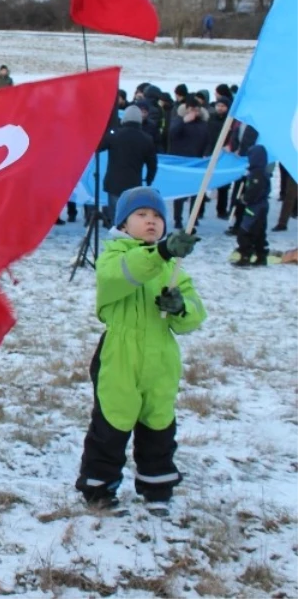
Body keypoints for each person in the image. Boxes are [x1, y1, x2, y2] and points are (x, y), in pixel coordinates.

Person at [76, 187, 204, 514]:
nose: (151, 221)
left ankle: (157, 485)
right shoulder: (113, 256)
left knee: (159, 422)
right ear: (123, 224)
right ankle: (99, 488)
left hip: (160, 356)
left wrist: (180, 308)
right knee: (113, 422)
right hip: (120, 354)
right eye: (142, 215)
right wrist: (161, 253)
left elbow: (193, 317)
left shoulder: (171, 268)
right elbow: (122, 276)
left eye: (158, 216)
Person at [97, 105, 157, 226]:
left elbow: (98, 147)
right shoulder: (147, 139)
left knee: (115, 215)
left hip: (113, 183)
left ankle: (116, 239)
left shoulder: (115, 135)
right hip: (134, 183)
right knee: (130, 215)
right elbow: (152, 164)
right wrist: (149, 180)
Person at [168, 96, 211, 228]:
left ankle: (194, 217)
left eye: (197, 110)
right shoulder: (178, 120)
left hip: (197, 162)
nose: (194, 112)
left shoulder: (203, 124)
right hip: (180, 162)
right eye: (192, 109)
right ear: (186, 109)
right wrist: (183, 122)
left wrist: (206, 153)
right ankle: (178, 219)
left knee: (196, 192)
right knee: (180, 193)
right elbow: (171, 134)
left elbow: (209, 140)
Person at [233, 145, 269, 267]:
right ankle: (261, 255)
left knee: (245, 231)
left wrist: (245, 199)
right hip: (261, 207)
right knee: (259, 232)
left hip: (255, 208)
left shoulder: (257, 174)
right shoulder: (259, 171)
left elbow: (254, 190)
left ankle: (245, 256)